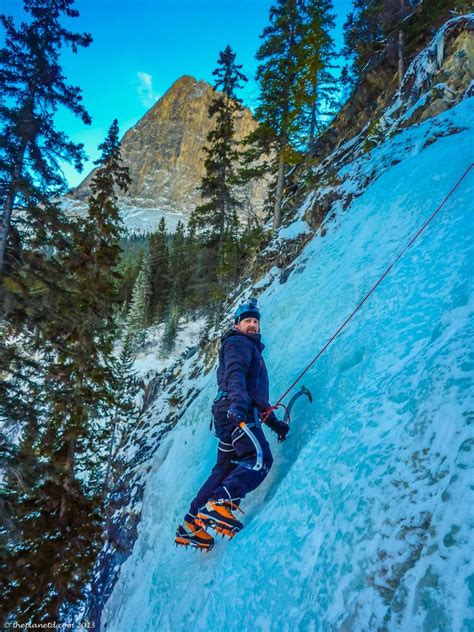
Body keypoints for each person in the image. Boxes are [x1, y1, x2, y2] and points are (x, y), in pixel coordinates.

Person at [175, 299, 289, 551]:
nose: (252, 324)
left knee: (223, 470)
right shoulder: (238, 343)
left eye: (255, 321)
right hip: (235, 409)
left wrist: (274, 424)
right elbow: (235, 375)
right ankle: (219, 504)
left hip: (229, 411)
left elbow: (257, 398)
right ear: (237, 325)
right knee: (259, 457)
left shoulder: (247, 348)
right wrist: (238, 405)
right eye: (247, 320)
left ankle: (191, 525)